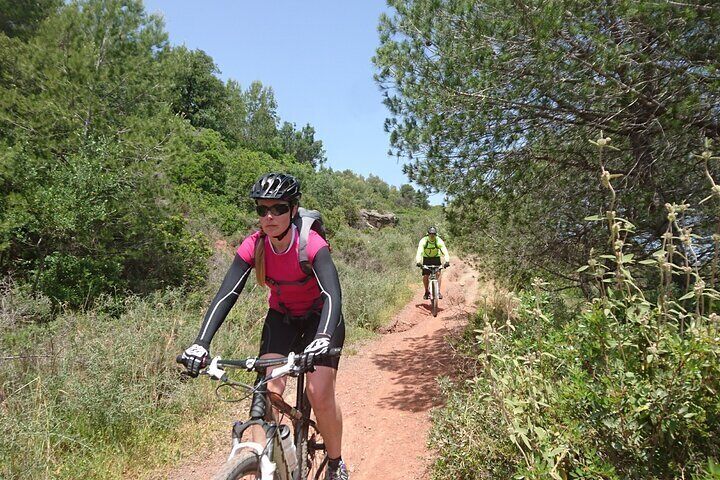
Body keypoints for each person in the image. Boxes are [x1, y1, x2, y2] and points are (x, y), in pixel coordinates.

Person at [180, 172, 349, 480]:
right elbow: (226, 293)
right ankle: (263, 468)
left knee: (318, 391)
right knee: (267, 389)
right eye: (262, 209)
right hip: (281, 318)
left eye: (279, 208)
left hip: (320, 319)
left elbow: (332, 295)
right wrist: (200, 342)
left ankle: (336, 463)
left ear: (293, 209)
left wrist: (323, 337)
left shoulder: (311, 243)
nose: (269, 216)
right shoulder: (254, 245)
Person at [415, 226, 450, 299]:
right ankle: (426, 291)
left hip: (436, 258)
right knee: (425, 275)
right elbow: (419, 251)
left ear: (436, 234)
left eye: (433, 234)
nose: (432, 235)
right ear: (428, 234)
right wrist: (418, 261)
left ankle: (438, 292)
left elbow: (444, 250)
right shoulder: (424, 241)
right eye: (430, 234)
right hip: (426, 259)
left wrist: (447, 261)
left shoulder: (438, 240)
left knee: (438, 273)